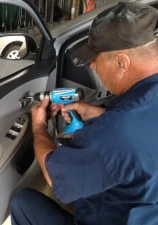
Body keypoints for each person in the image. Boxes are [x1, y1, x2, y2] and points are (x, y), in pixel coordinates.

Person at [10, 1, 158, 225]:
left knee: (22, 202)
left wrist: (39, 127)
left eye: (95, 60)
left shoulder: (117, 130)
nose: (92, 67)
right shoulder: (126, 118)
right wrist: (100, 115)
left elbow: (54, 176)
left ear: (121, 62)